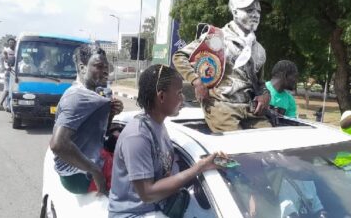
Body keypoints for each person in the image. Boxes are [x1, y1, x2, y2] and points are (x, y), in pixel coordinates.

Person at [108, 64, 226, 218]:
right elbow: (147, 194)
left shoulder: (158, 124)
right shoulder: (137, 136)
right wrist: (198, 168)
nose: (183, 98)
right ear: (162, 96)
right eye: (179, 93)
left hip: (159, 206)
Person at [172, 0, 270, 133]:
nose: (255, 15)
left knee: (271, 143)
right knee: (237, 149)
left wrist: (265, 95)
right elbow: (179, 57)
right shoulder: (217, 38)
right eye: (249, 10)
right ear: (235, 12)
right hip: (221, 106)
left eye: (258, 11)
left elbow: (259, 82)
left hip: (250, 108)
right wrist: (197, 81)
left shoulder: (259, 50)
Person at [49, 44, 123, 195]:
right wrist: (95, 171)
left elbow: (98, 133)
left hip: (85, 165)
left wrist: (110, 114)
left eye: (106, 67)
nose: (105, 71)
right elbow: (58, 144)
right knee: (140, 180)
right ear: (82, 68)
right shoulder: (77, 96)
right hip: (78, 176)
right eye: (98, 66)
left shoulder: (92, 94)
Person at [0, 38, 16, 111]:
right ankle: (1, 104)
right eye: (10, 42)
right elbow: (3, 59)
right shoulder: (6, 51)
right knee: (7, 90)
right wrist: (4, 67)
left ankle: (8, 106)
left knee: (11, 90)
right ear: (8, 43)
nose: (11, 44)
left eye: (13, 42)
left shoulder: (17, 50)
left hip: (15, 73)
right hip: (8, 72)